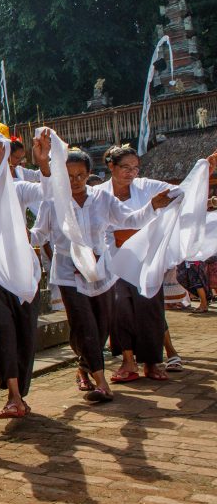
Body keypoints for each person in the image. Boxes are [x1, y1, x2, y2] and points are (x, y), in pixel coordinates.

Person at [29, 134, 172, 404]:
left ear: (89, 174)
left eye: (80, 175)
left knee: (102, 326)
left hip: (101, 271)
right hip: (70, 273)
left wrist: (152, 205)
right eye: (69, 176)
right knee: (84, 326)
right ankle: (102, 382)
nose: (75, 181)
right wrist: (20, 235)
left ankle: (83, 366)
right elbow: (40, 233)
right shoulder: (52, 203)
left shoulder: (101, 199)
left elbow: (129, 218)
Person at [0, 141, 46, 418]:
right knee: (4, 329)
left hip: (21, 270)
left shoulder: (20, 188)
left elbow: (50, 193)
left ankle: (20, 391)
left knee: (25, 331)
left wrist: (43, 166)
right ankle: (13, 394)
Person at [100, 145, 176, 381]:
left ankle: (152, 362)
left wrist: (204, 170)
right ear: (111, 166)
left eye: (135, 168)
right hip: (115, 259)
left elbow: (178, 193)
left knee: (150, 308)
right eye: (125, 167)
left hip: (145, 259)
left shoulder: (146, 187)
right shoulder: (100, 194)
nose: (131, 173)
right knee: (121, 307)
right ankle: (128, 361)